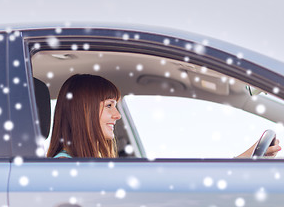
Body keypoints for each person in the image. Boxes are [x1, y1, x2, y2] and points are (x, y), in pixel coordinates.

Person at [47, 74, 281, 159]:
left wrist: (245, 158)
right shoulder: (66, 169)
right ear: (84, 111)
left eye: (116, 105)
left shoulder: (82, 165)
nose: (117, 115)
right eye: (109, 105)